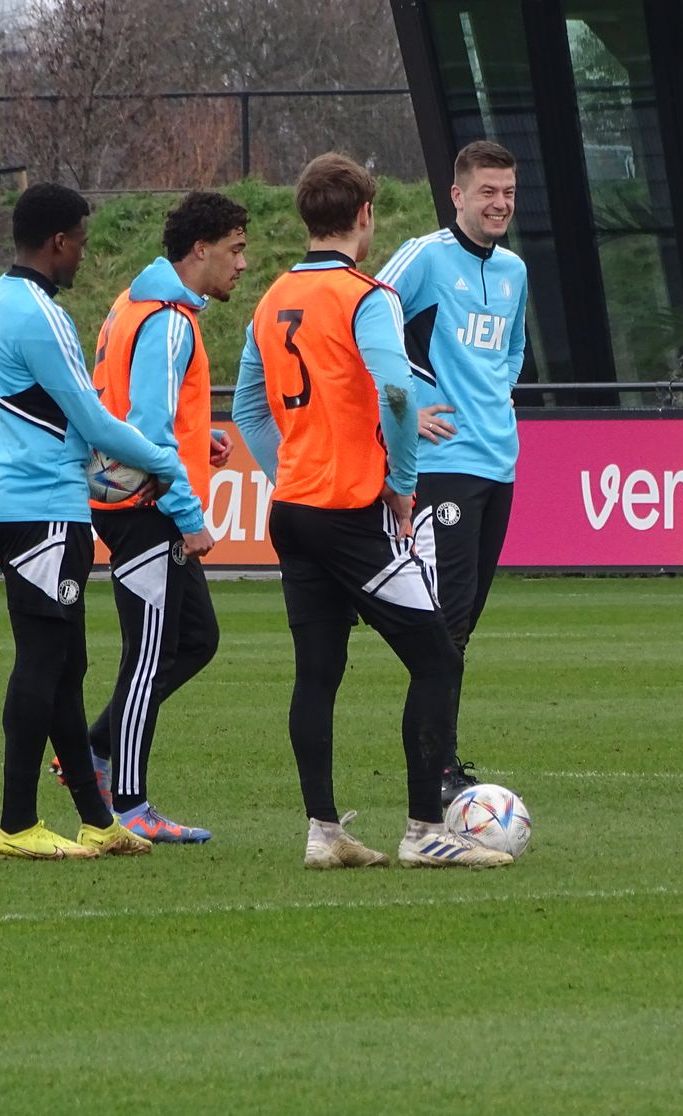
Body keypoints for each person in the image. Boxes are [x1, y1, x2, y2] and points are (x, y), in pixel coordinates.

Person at [232, 152, 512, 869]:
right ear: (364, 216)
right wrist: (402, 480)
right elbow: (396, 392)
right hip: (351, 511)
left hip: (294, 510)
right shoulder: (365, 296)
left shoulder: (272, 298)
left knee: (317, 672)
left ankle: (323, 832)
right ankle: (424, 831)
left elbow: (248, 409)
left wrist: (288, 470)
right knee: (437, 659)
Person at [0, 182, 179, 858]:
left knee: (67, 662)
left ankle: (97, 819)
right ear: (58, 242)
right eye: (82, 244)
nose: (84, 258)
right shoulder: (37, 313)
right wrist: (164, 463)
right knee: (41, 661)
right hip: (42, 510)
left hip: (28, 504)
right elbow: (90, 421)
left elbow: (66, 422)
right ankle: (16, 824)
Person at [73, 191, 247, 843]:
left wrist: (198, 435)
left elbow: (129, 404)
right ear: (199, 250)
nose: (242, 264)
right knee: (148, 656)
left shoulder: (133, 303)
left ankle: (91, 747)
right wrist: (188, 512)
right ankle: (129, 806)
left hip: (136, 499)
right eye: (235, 250)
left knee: (196, 640)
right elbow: (147, 424)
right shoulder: (170, 319)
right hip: (147, 509)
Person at [375, 140, 528, 806]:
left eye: (509, 193)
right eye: (487, 192)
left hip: (498, 464)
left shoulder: (516, 271)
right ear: (457, 195)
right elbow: (365, 319)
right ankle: (435, 768)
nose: (500, 204)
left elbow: (512, 352)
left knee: (463, 621)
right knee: (445, 625)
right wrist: (404, 409)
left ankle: (442, 756)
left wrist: (489, 404)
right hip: (440, 467)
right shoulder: (424, 256)